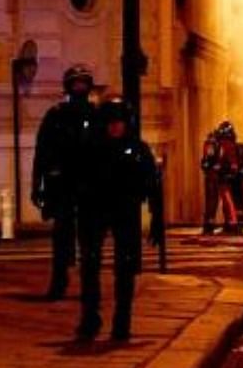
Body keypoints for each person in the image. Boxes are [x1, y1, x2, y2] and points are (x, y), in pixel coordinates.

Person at [77, 95, 164, 341]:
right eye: (111, 122)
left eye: (119, 121)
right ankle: (90, 317)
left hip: (125, 211)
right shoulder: (92, 149)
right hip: (96, 211)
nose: (115, 126)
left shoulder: (138, 150)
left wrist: (157, 218)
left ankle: (121, 321)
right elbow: (79, 182)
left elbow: (152, 185)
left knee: (125, 268)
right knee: (90, 265)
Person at [31, 64, 97, 301]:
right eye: (76, 83)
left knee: (90, 239)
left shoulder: (95, 115)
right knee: (61, 239)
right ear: (69, 86)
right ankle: (59, 282)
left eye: (83, 83)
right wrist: (37, 184)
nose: (80, 87)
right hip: (63, 187)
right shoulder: (56, 115)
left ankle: (89, 284)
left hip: (88, 186)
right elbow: (42, 152)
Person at [201, 121, 242, 234]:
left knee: (220, 201)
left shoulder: (220, 143)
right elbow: (210, 160)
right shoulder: (222, 144)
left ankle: (217, 225)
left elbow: (209, 161)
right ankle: (227, 224)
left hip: (220, 176)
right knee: (220, 201)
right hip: (219, 177)